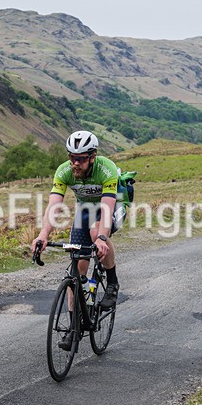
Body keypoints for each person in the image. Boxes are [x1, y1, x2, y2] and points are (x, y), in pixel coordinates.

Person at [31, 130, 123, 350]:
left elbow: (107, 207)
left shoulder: (106, 168)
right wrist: (43, 235)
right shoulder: (64, 171)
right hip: (85, 209)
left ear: (93, 156)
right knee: (76, 269)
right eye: (71, 157)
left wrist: (102, 237)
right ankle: (74, 328)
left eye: (80, 158)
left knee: (94, 233)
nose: (75, 163)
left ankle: (112, 283)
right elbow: (54, 206)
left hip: (110, 207)